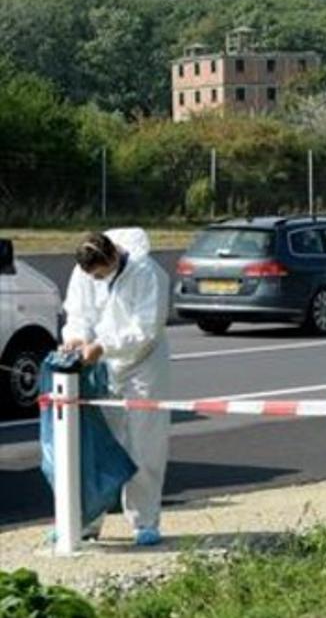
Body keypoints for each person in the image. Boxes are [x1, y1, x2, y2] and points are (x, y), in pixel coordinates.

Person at [61, 229, 170, 547]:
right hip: (103, 364)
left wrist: (103, 346)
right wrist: (77, 338)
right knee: (99, 444)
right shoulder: (83, 272)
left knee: (144, 445)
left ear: (113, 257)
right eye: (91, 276)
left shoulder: (148, 273)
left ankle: (144, 521)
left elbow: (146, 329)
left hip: (144, 365)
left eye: (100, 274)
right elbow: (78, 312)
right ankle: (87, 521)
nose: (96, 280)